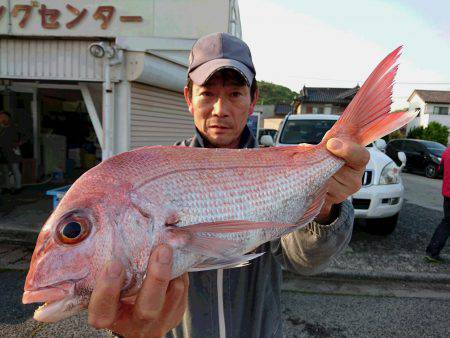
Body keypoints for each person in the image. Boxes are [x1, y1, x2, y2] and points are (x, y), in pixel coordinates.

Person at [87, 33, 369, 337]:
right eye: (207, 94)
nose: (220, 109)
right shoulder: (155, 179)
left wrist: (326, 206)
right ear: (188, 98)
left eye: (235, 94)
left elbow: (303, 259)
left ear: (253, 100)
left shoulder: (278, 168)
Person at [425, 145, 450, 263]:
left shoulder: (447, 151)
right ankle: (432, 252)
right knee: (447, 224)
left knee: (446, 222)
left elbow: (440, 169)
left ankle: (432, 251)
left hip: (447, 193)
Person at [0, 111, 22, 194]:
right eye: (1, 117)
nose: (2, 119)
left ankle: (18, 187)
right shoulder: (2, 129)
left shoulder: (13, 127)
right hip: (3, 152)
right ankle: (7, 187)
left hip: (12, 151)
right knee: (5, 170)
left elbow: (17, 139)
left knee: (15, 169)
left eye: (4, 117)